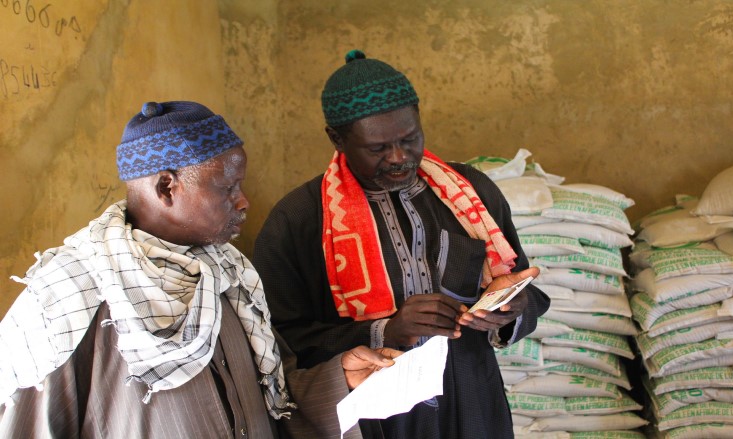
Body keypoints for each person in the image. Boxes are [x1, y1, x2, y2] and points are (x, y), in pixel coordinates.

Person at [0, 101, 399, 439]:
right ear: (166, 188)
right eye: (227, 188)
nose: (243, 202)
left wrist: (338, 379)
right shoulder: (69, 299)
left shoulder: (228, 273)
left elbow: (273, 395)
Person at [253, 50, 550, 438]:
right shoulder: (298, 220)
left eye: (410, 139)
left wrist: (512, 308)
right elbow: (282, 343)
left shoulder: (471, 195)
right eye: (377, 148)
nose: (398, 158)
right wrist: (384, 332)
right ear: (337, 140)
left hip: (474, 406)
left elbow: (521, 289)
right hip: (374, 421)